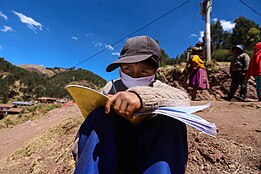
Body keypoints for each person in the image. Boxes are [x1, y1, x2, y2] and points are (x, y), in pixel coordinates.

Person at [72, 36, 190, 174]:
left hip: (151, 154)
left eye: (144, 71)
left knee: (172, 122)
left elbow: (184, 100)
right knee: (98, 115)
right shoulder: (111, 87)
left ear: (155, 72)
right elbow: (91, 129)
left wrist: (140, 97)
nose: (134, 76)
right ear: (120, 68)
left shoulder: (160, 88)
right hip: (114, 153)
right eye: (128, 68)